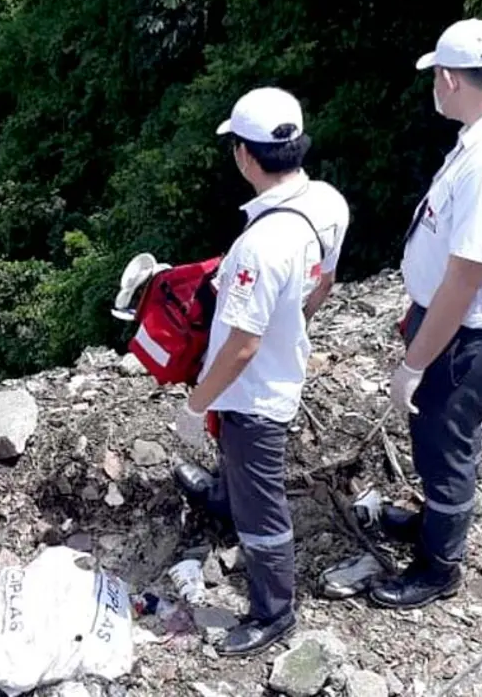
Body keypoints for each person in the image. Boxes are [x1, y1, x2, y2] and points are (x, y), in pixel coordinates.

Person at [372, 18, 482, 609]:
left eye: (436, 78)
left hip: (471, 334)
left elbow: (465, 279)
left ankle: (438, 567)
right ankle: (432, 526)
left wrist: (415, 361)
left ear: (450, 79)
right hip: (462, 324)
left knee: (442, 444)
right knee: (438, 435)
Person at [171, 86, 349, 656]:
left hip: (253, 392)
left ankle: (274, 611)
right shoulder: (327, 203)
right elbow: (324, 284)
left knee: (263, 502)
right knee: (243, 473)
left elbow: (242, 347)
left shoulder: (260, 245)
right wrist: (292, 328)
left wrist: (196, 406)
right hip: (276, 369)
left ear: (245, 155)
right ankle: (226, 494)